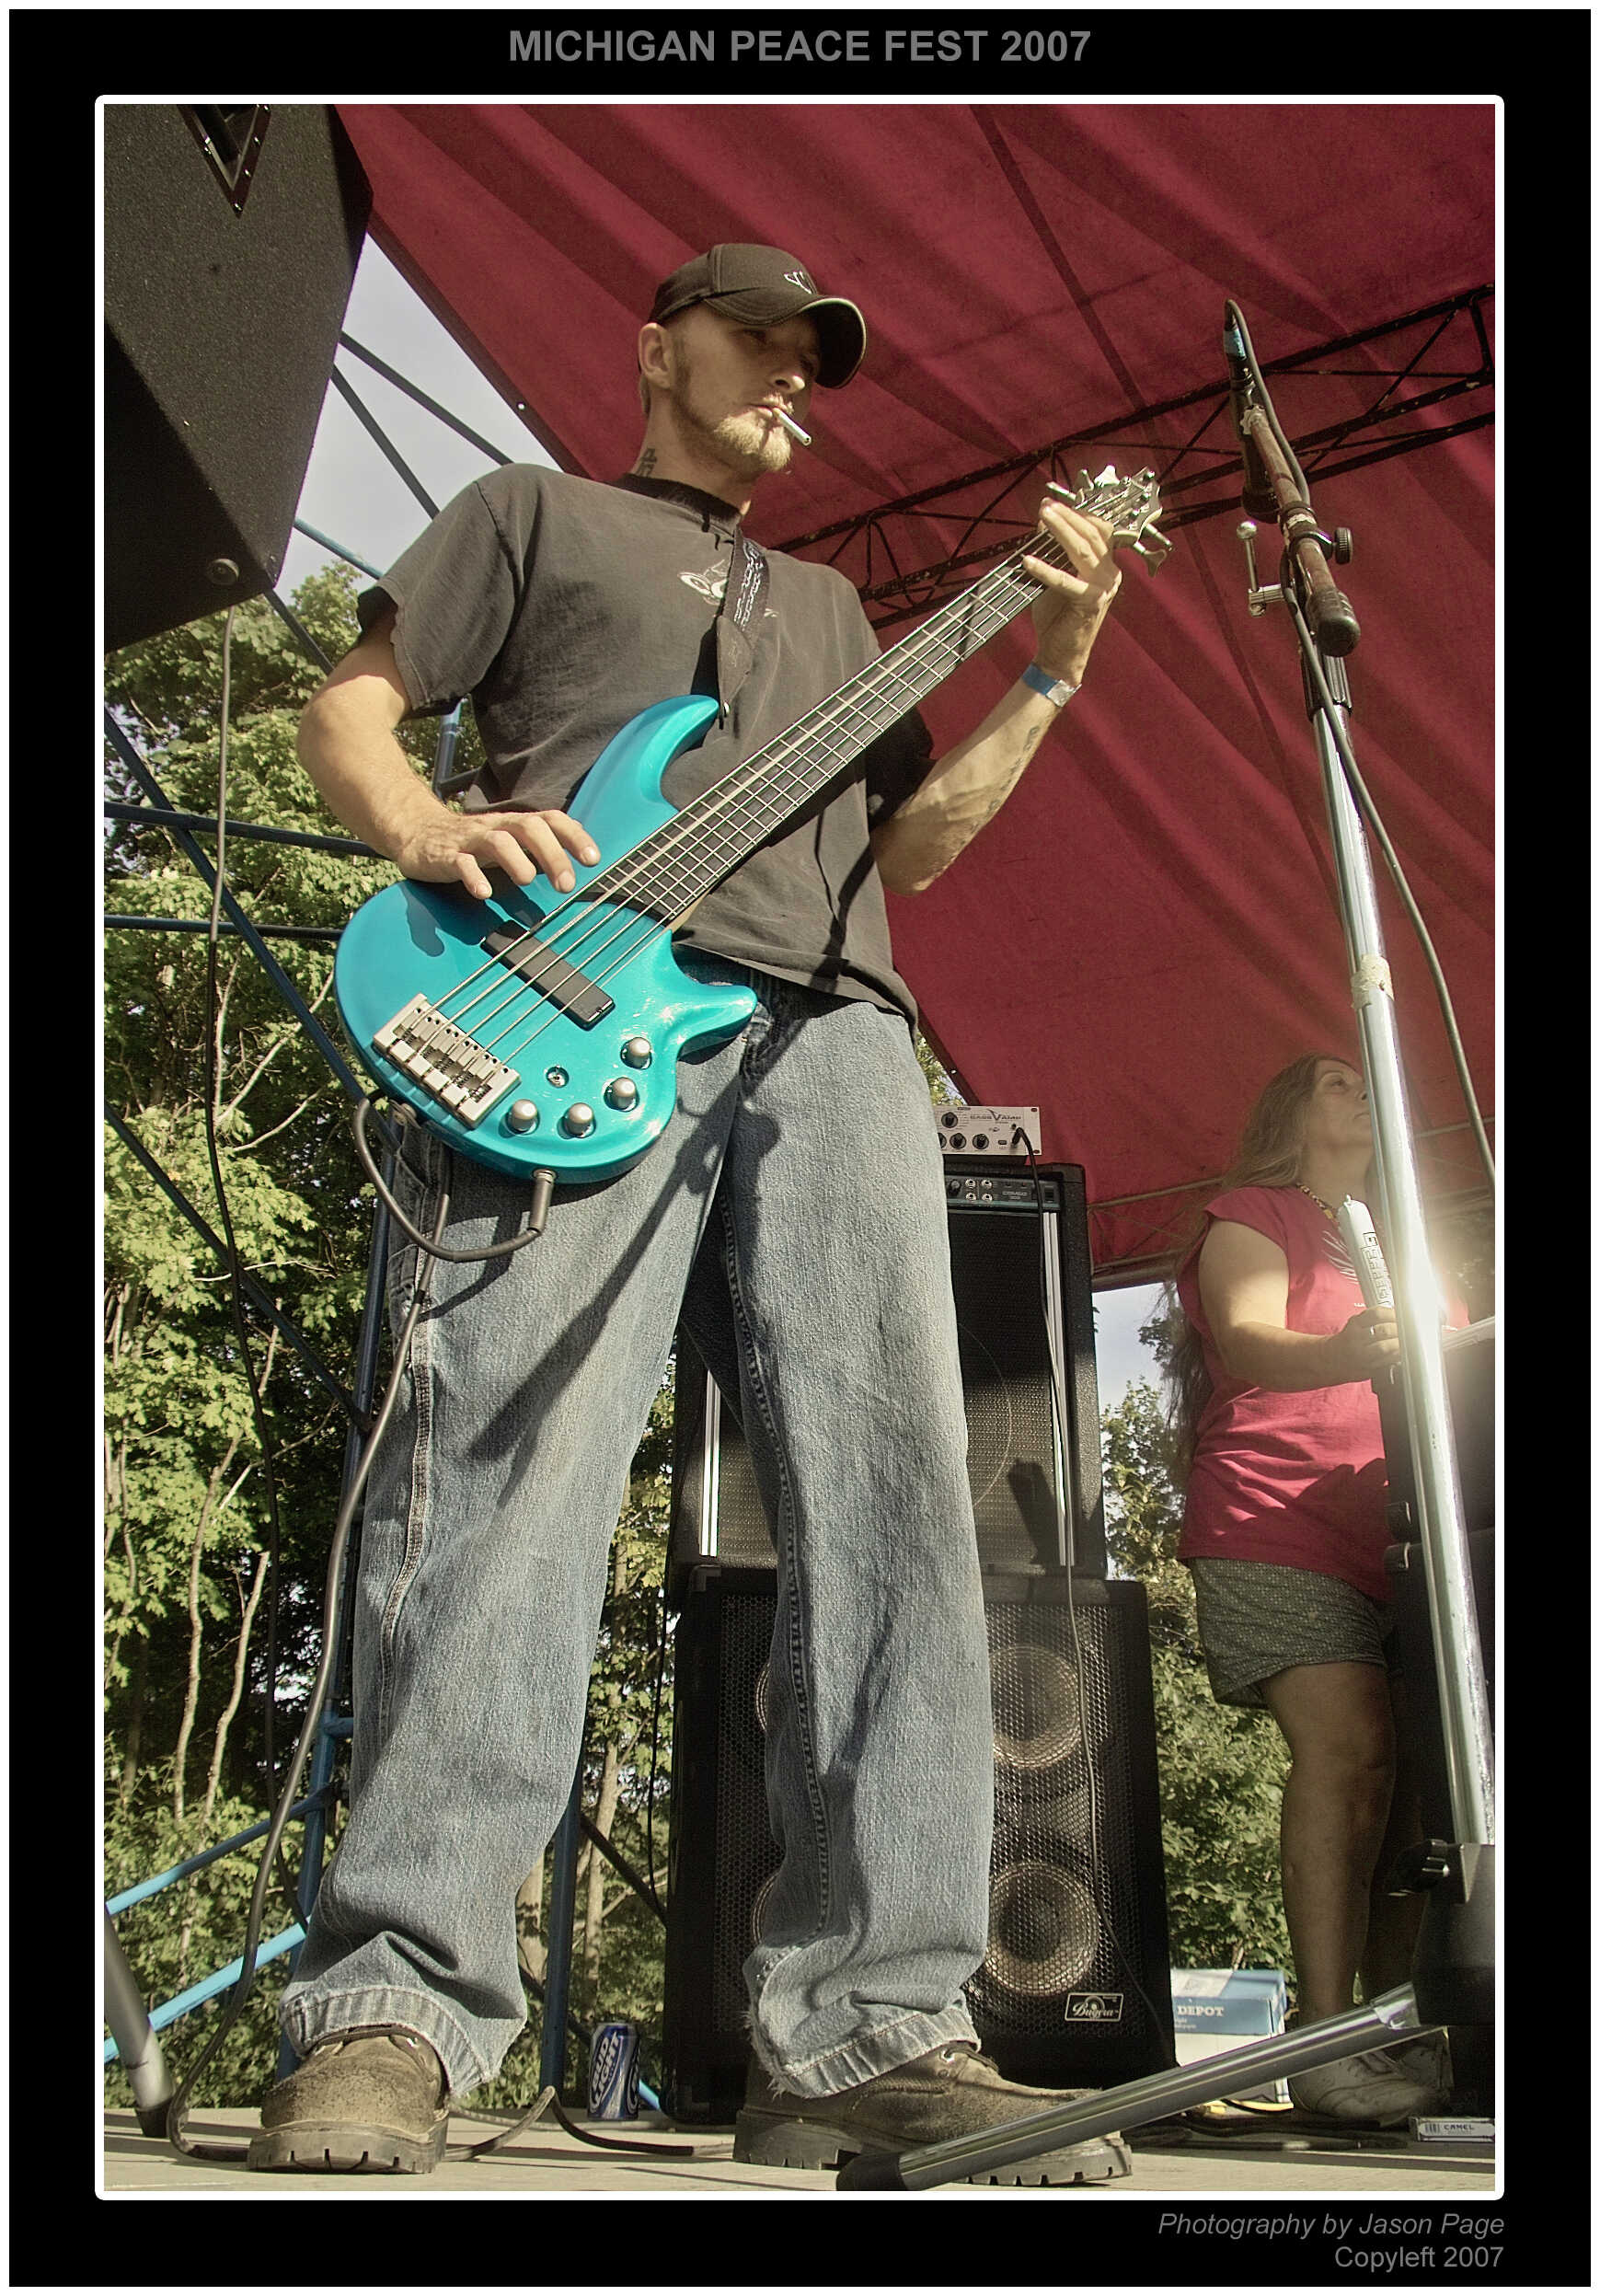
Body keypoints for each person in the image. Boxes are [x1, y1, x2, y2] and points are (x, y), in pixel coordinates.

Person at [249, 245, 1133, 2181]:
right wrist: (426, 828)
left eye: (816, 363)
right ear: (658, 348)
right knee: (505, 1471)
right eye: (761, 343)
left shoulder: (834, 610)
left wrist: (1051, 665)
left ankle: (869, 2029)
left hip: (834, 1028)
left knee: (898, 1497)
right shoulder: (529, 515)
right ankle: (394, 2001)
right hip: (560, 1010)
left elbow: (912, 847)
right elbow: (353, 712)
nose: (790, 382)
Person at [1168, 1051, 1456, 2126]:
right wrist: (1343, 1346)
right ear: (1287, 1112)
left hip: (1409, 1533)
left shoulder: (1412, 1241)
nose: (1362, 1087)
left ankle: (1394, 2027)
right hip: (1273, 1516)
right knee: (1349, 1751)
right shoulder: (1251, 1212)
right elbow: (1248, 1338)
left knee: (1419, 1791)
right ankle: (1324, 2038)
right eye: (1336, 1078)